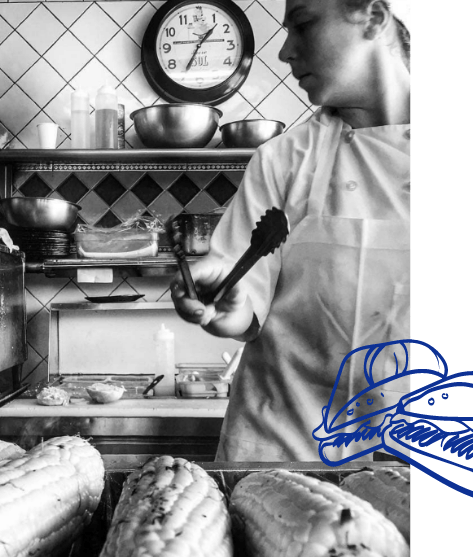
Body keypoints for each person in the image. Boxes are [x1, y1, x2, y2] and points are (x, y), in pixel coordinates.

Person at [171, 0, 411, 462]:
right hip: (281, 455)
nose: (284, 52)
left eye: (302, 25)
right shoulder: (284, 160)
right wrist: (227, 302)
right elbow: (241, 305)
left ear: (375, 17)